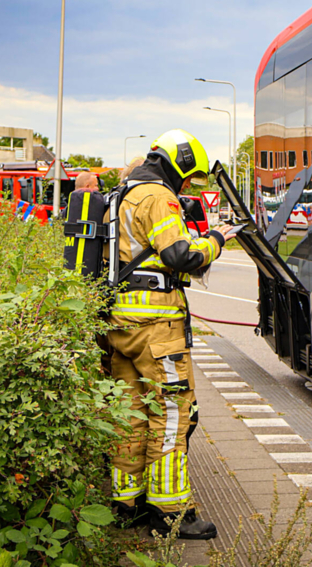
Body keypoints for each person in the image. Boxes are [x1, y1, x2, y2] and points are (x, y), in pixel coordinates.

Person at [108, 129, 235, 539]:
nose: (186, 185)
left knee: (130, 413)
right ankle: (170, 511)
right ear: (178, 162)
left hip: (120, 324)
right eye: (188, 176)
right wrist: (216, 240)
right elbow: (181, 255)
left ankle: (127, 501)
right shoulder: (158, 196)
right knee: (171, 414)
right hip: (156, 328)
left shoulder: (122, 193)